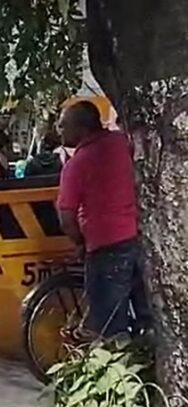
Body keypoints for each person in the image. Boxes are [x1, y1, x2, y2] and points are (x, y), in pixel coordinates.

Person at [57, 101, 148, 339]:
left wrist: (78, 242)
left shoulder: (77, 164)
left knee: (109, 322)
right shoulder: (122, 143)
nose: (59, 130)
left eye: (64, 125)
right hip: (139, 237)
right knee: (147, 315)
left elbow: (66, 216)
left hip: (106, 245)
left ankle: (120, 369)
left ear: (82, 128)